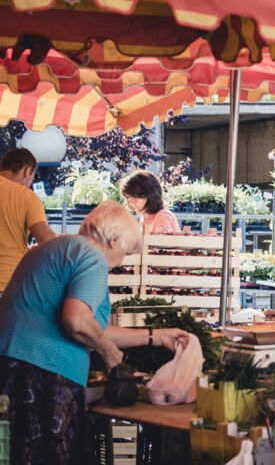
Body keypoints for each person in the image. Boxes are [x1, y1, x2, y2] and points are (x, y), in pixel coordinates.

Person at [0, 201, 186, 464]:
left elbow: (92, 328)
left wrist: (156, 336)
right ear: (113, 240)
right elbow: (76, 320)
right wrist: (109, 353)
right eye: (125, 252)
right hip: (43, 378)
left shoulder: (53, 248)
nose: (121, 262)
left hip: (11, 371)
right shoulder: (91, 257)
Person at [0, 148, 56, 292]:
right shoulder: (26, 196)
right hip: (7, 283)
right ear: (26, 170)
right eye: (31, 178)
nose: (30, 183)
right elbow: (46, 240)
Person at [119, 170, 180, 235]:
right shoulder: (145, 217)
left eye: (135, 196)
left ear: (151, 195)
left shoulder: (163, 217)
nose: (131, 201)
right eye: (128, 197)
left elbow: (165, 244)